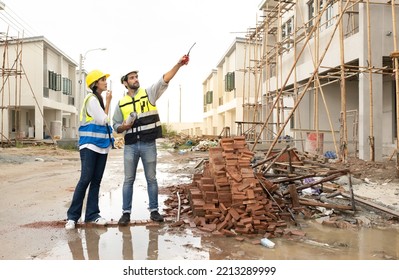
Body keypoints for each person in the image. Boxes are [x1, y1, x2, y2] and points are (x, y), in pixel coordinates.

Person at [113, 55, 189, 226]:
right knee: (128, 180)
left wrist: (179, 64)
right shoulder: (121, 103)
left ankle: (154, 211)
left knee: (151, 179)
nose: (135, 79)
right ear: (125, 83)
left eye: (136, 76)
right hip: (131, 145)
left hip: (148, 144)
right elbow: (115, 125)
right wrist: (123, 127)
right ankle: (126, 213)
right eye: (131, 78)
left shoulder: (149, 94)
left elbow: (165, 79)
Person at [65, 70, 114, 230]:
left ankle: (92, 215)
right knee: (85, 179)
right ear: (95, 84)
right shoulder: (92, 99)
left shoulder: (97, 100)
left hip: (101, 146)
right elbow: (103, 119)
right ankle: (72, 217)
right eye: (102, 80)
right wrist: (108, 102)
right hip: (90, 145)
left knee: (96, 181)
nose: (105, 82)